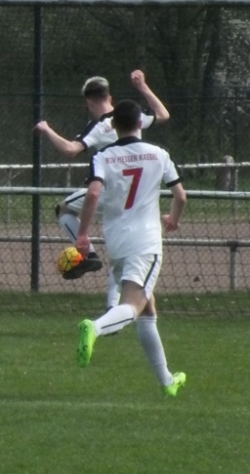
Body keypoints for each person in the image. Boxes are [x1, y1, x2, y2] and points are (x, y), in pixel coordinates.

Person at [74, 99, 187, 397]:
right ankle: (95, 328)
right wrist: (173, 219)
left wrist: (82, 233)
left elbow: (93, 193)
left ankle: (167, 381)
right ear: (139, 123)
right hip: (146, 242)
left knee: (147, 309)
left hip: (117, 242)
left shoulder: (103, 156)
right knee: (134, 307)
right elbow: (180, 196)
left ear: (113, 125)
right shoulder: (159, 154)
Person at [34, 70, 170, 309]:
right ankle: (113, 307)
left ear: (88, 102)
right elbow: (163, 115)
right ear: (109, 97)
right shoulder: (132, 117)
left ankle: (88, 254)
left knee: (63, 209)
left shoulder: (99, 126)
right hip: (137, 195)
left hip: (110, 190)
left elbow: (70, 149)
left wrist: (47, 129)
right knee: (122, 254)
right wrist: (143, 87)